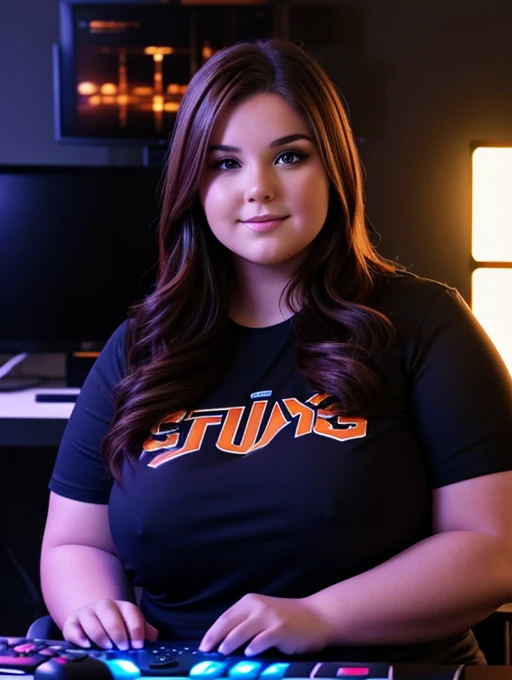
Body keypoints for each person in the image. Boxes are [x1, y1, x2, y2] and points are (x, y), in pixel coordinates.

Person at [40, 38, 512, 666]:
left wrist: (320, 616)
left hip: (382, 669)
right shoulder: (141, 345)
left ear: (335, 167)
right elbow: (74, 543)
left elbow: (491, 546)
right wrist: (91, 609)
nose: (258, 188)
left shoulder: (425, 323)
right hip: (174, 669)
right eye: (225, 163)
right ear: (193, 183)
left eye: (289, 156)